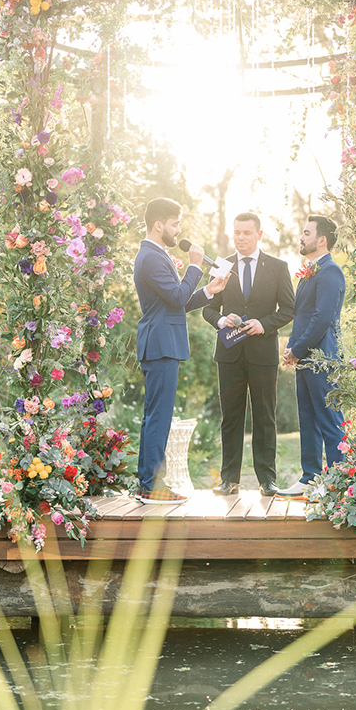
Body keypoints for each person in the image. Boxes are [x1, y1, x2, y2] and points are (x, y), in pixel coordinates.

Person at [134, 197, 228, 503]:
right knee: (158, 417)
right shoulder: (150, 257)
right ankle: (152, 485)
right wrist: (194, 267)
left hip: (162, 341)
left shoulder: (156, 255)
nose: (178, 230)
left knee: (155, 416)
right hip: (160, 344)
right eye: (175, 224)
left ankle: (147, 483)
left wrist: (207, 291)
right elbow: (175, 298)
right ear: (159, 224)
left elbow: (178, 301)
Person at [202, 212, 294, 497]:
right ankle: (229, 479)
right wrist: (220, 320)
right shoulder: (222, 267)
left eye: (246, 233)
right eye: (236, 232)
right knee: (230, 417)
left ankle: (268, 480)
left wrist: (263, 324)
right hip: (229, 354)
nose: (240, 237)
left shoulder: (278, 267)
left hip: (263, 353)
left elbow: (289, 310)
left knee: (265, 418)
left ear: (259, 235)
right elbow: (207, 307)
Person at [276, 214, 346, 498]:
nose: (301, 237)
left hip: (324, 358)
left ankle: (339, 482)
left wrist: (297, 349)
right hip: (306, 358)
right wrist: (292, 349)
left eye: (306, 233)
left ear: (321, 239)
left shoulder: (331, 271)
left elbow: (322, 319)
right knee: (307, 419)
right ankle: (310, 479)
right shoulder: (309, 272)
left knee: (329, 420)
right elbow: (302, 317)